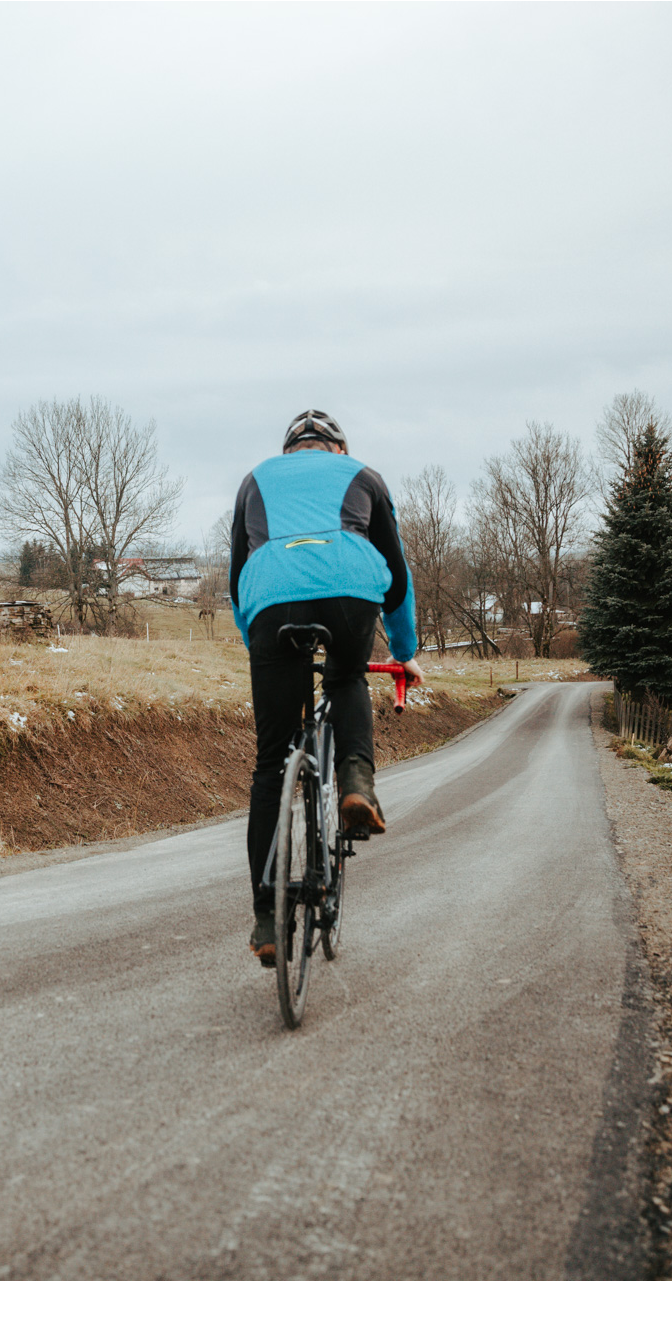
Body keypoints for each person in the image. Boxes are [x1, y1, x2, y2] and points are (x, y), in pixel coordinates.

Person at [229, 408, 422, 963]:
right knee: (345, 675)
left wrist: (259, 648)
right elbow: (398, 577)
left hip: (272, 601)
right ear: (337, 448)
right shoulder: (363, 474)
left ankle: (268, 918)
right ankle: (357, 781)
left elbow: (238, 576)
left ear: (289, 450)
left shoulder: (254, 479)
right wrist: (405, 653)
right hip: (348, 591)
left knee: (271, 765)